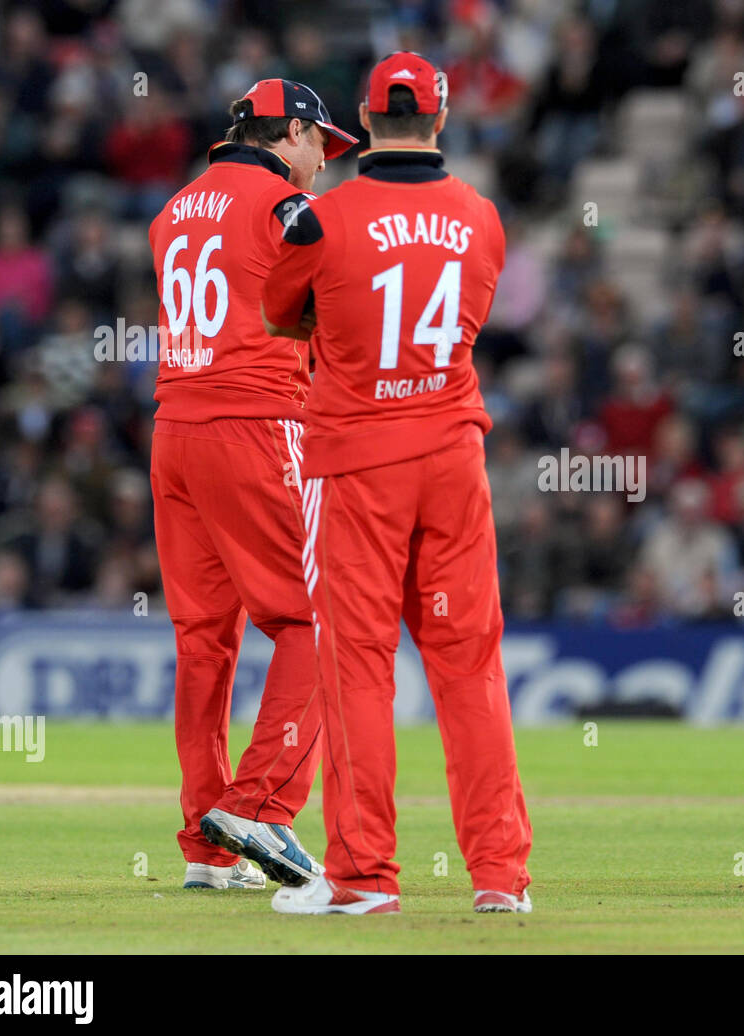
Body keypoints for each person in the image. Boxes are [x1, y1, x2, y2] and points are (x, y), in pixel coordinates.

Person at [262, 52, 533, 915]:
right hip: (452, 459)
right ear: (441, 120)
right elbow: (470, 320)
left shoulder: (319, 219)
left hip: (358, 465)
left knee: (359, 672)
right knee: (471, 670)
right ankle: (500, 878)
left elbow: (278, 312)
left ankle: (366, 878)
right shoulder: (482, 218)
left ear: (367, 119)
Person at [147, 79, 357, 890]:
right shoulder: (288, 211)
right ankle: (262, 805)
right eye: (319, 147)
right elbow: (323, 314)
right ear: (291, 133)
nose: (321, 165)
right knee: (319, 619)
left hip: (175, 428)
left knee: (204, 646)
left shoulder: (172, 209)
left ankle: (206, 850)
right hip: (258, 424)